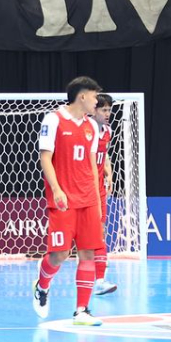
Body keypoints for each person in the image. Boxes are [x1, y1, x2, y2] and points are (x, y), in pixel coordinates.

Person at [32, 77, 104, 326]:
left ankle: (82, 310)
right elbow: (45, 158)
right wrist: (56, 189)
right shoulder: (53, 119)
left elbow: (93, 166)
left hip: (88, 200)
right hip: (63, 199)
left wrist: (96, 197)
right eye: (95, 97)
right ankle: (42, 285)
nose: (97, 102)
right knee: (59, 254)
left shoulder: (92, 127)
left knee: (88, 253)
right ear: (82, 96)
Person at [92, 94, 117, 295]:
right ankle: (45, 271)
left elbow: (105, 154)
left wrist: (109, 171)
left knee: (100, 233)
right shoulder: (84, 130)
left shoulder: (107, 130)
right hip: (82, 188)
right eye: (104, 110)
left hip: (98, 188)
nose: (108, 114)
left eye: (109, 110)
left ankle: (99, 280)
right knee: (67, 246)